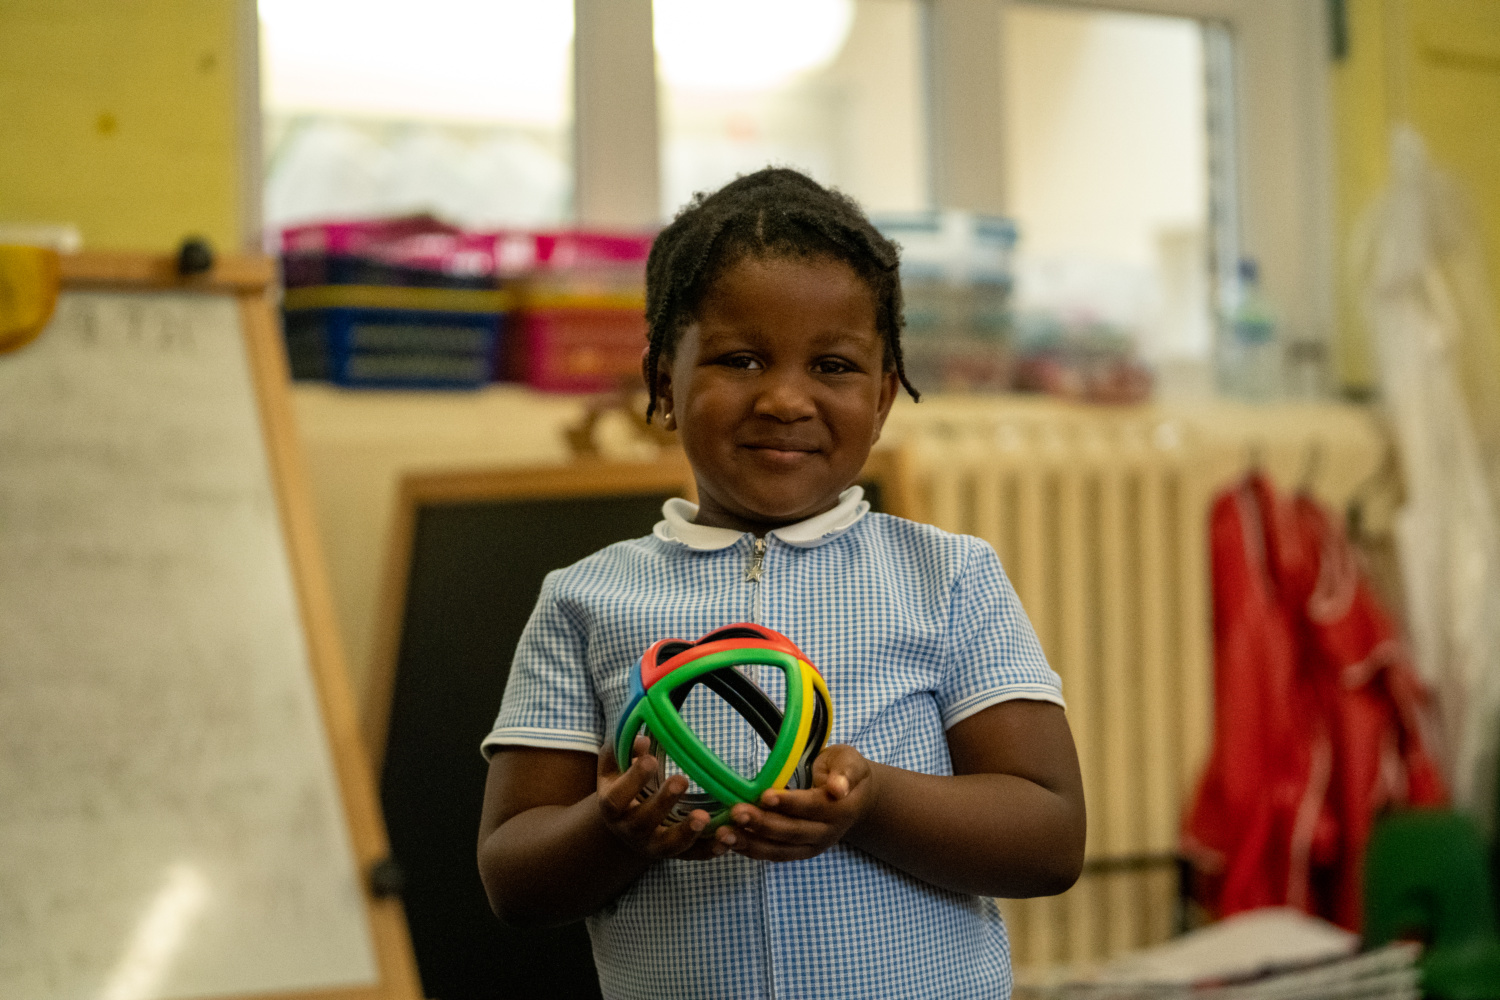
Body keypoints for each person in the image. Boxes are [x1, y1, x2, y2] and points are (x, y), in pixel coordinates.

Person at [477, 168, 1086, 1000]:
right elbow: (513, 875)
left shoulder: (948, 578)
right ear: (662, 380)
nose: (785, 398)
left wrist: (872, 806)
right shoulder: (585, 601)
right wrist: (614, 829)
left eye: (833, 365)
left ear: (881, 396)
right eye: (741, 358)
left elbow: (1050, 838)